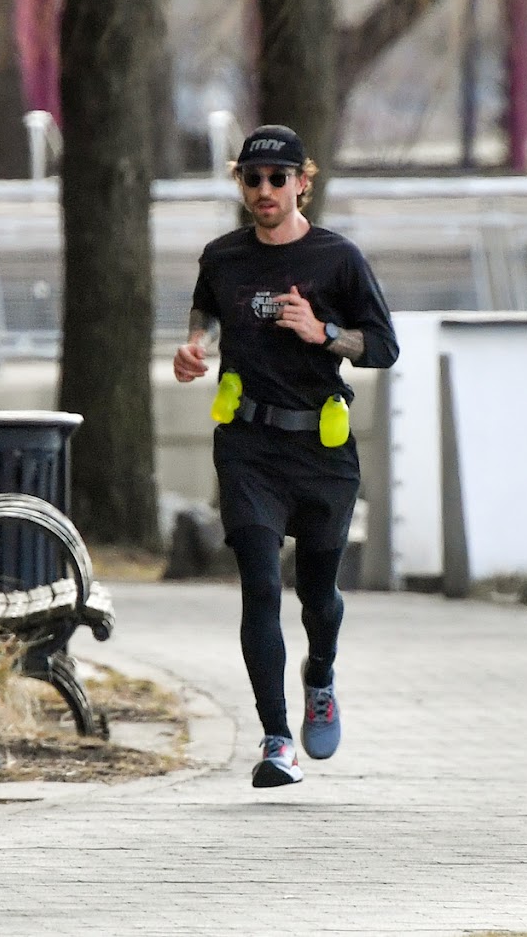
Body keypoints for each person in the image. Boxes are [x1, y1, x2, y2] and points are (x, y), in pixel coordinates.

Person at [172, 123, 399, 788]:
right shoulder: (223, 258)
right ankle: (276, 738)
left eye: (279, 178)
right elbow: (206, 312)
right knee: (261, 587)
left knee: (318, 594)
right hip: (248, 445)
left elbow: (383, 344)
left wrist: (323, 331)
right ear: (240, 182)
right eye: (253, 177)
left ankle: (320, 673)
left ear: (304, 181)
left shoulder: (338, 259)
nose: (265, 189)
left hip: (322, 447)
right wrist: (194, 346)